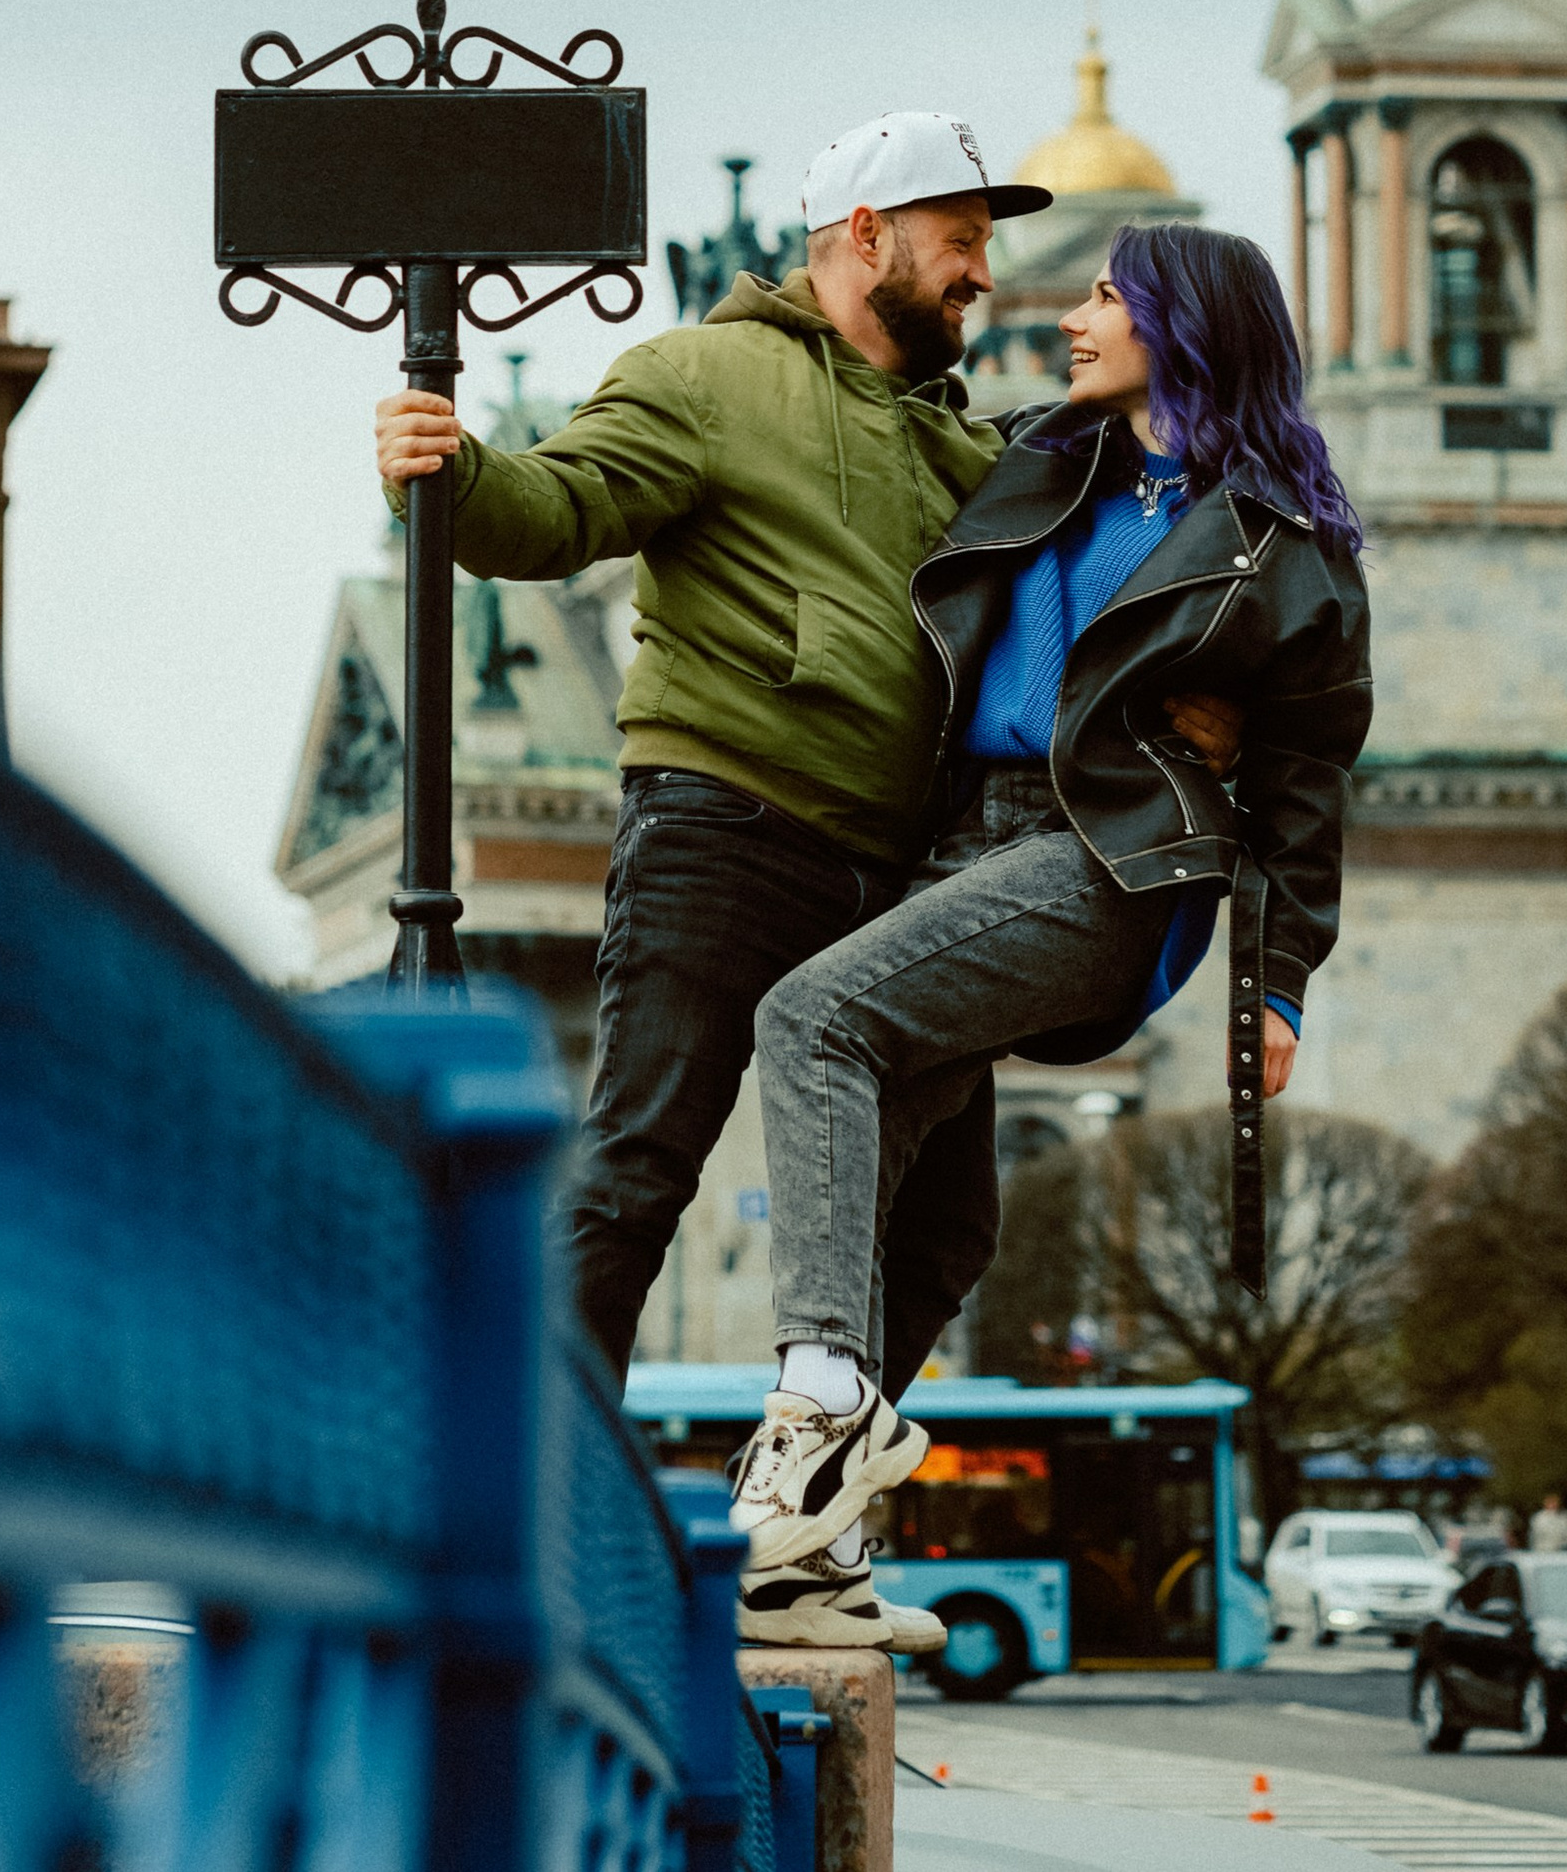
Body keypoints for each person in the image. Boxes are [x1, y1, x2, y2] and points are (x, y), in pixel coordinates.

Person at [374, 109, 1049, 1657]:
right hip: (725, 826)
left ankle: (794, 1525)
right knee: (639, 1160)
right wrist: (450, 472)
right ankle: (520, 1514)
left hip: (899, 880)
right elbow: (556, 513)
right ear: (863, 236)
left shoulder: (968, 444)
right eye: (960, 237)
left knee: (946, 1226)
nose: (982, 272)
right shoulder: (706, 376)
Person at [727, 223, 1371, 1595]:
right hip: (963, 843)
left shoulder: (1282, 547)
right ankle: (819, 1541)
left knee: (813, 1021)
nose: (1070, 315)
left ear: (1179, 328)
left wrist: (1278, 984)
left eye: (1101, 297)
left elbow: (1308, 785)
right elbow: (872, 414)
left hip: (1109, 863)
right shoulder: (1038, 456)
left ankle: (818, 1403)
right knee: (923, 1193)